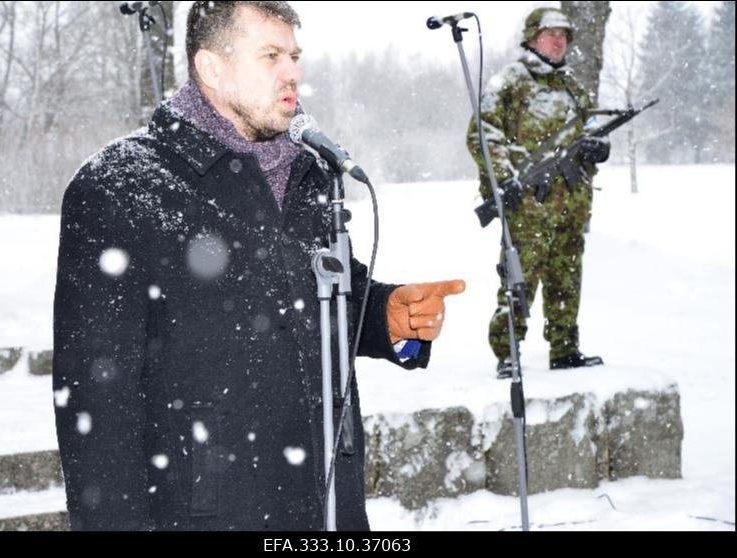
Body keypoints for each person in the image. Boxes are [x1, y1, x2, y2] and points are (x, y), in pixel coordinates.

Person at [53, 1, 465, 531]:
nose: (293, 71)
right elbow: (96, 407)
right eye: (271, 55)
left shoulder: (308, 169)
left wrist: (383, 311)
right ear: (212, 68)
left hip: (328, 506)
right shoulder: (122, 185)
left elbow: (316, 289)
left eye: (294, 55)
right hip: (210, 510)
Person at [466, 7, 610, 379]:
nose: (558, 40)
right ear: (531, 38)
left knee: (566, 276)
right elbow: (482, 134)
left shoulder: (573, 87)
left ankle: (564, 348)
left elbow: (592, 129)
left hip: (572, 205)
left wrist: (599, 147)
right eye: (550, 33)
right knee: (519, 278)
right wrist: (505, 178)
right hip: (527, 205)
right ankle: (507, 352)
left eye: (563, 35)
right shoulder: (511, 81)